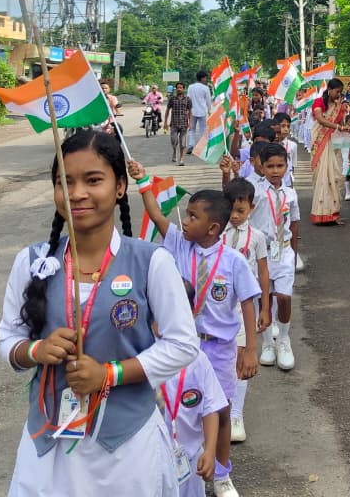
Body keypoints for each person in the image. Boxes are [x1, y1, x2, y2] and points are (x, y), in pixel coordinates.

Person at [0, 129, 198, 496]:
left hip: (127, 446)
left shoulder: (150, 261)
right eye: (65, 182)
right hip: (49, 443)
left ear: (120, 185)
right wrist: (35, 351)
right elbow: (8, 339)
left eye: (93, 180)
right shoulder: (31, 261)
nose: (76, 194)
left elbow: (183, 344)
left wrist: (111, 373)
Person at [137, 177, 260, 497]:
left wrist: (250, 349)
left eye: (193, 216)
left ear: (213, 228)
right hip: (178, 344)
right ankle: (173, 462)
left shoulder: (233, 261)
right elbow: (157, 216)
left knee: (219, 411)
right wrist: (142, 182)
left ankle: (221, 473)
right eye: (187, 215)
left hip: (218, 347)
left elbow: (248, 301)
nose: (185, 220)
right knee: (173, 403)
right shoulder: (179, 244)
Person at [159, 286, 228, 497]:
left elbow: (210, 408)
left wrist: (209, 451)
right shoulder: (144, 356)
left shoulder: (198, 360)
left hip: (190, 460)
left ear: (191, 312)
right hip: (153, 463)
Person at [219, 176, 272, 443]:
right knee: (221, 358)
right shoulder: (217, 232)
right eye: (231, 210)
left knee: (241, 359)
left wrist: (266, 305)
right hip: (218, 306)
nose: (235, 216)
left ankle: (236, 414)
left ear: (252, 207)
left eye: (241, 211)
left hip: (244, 307)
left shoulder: (257, 237)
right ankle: (220, 407)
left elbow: (263, 272)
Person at [246, 143, 301, 369]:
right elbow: (235, 203)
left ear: (287, 166)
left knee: (284, 297)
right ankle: (268, 342)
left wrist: (295, 253)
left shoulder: (290, 193)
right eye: (270, 166)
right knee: (264, 298)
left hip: (284, 250)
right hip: (262, 253)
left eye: (280, 166)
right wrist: (227, 173)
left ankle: (284, 339)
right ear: (261, 167)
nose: (276, 171)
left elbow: (294, 224)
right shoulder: (255, 191)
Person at [307, 78, 350, 225]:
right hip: (320, 141)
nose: (339, 95)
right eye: (337, 91)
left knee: (337, 176)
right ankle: (320, 214)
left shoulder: (340, 106)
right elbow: (320, 119)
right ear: (330, 90)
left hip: (334, 143)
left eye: (340, 92)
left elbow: (341, 124)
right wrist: (338, 127)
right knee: (322, 177)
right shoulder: (319, 102)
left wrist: (346, 128)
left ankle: (333, 213)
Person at [165, 82, 192, 165]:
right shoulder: (172, 99)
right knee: (174, 141)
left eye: (181, 87)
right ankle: (174, 152)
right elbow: (167, 110)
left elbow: (190, 111)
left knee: (182, 143)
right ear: (176, 89)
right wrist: (165, 122)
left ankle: (181, 159)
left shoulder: (188, 99)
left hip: (184, 124)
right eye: (178, 88)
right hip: (174, 124)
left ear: (183, 89)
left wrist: (190, 122)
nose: (179, 89)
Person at [186, 71, 212, 155]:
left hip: (192, 111)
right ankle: (201, 147)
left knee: (191, 129)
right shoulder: (205, 88)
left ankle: (191, 145)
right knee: (202, 130)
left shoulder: (190, 87)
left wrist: (187, 109)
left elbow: (188, 98)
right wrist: (209, 110)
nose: (206, 79)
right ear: (202, 78)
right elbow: (208, 100)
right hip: (202, 111)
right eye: (205, 77)